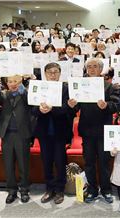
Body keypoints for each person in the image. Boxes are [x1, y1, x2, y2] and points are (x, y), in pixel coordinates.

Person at [67, 58, 120, 203]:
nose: (91, 69)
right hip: (87, 130)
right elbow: (76, 107)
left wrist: (106, 106)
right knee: (89, 162)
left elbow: (116, 105)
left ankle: (106, 190)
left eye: (95, 66)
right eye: (89, 67)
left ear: (101, 69)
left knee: (104, 162)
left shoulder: (110, 87)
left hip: (104, 130)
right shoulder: (81, 85)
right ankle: (92, 190)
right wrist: (72, 105)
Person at [33, 63, 74, 204]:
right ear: (45, 74)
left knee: (60, 161)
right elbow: (32, 109)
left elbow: (69, 109)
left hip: (60, 132)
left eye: (55, 72)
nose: (52, 75)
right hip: (44, 132)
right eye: (49, 72)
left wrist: (51, 109)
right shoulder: (39, 88)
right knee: (46, 162)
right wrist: (40, 110)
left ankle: (60, 190)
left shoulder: (66, 89)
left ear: (60, 73)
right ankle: (49, 189)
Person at [0, 75, 35, 204]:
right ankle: (11, 190)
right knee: (8, 164)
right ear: (7, 83)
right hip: (7, 134)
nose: (13, 84)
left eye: (15, 81)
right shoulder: (4, 94)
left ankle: (24, 190)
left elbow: (29, 101)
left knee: (23, 164)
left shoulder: (26, 93)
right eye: (10, 81)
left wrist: (24, 88)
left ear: (21, 81)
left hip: (22, 134)